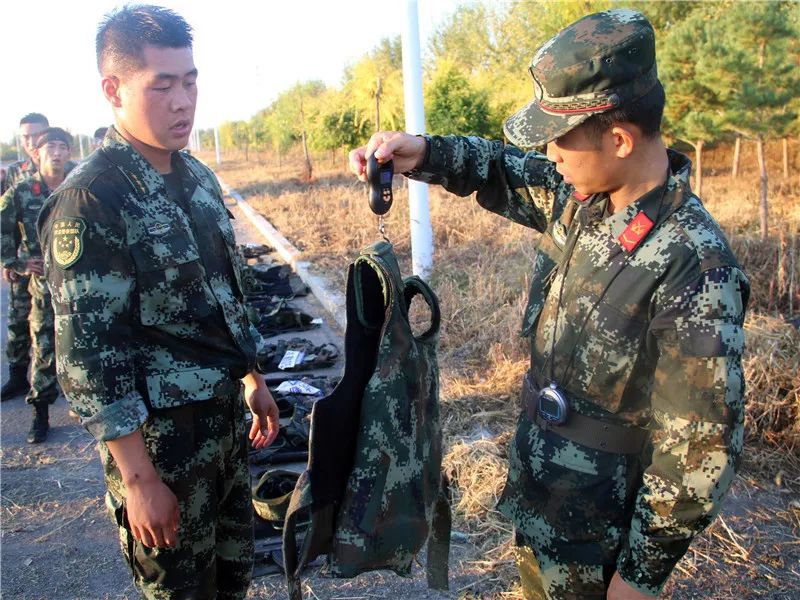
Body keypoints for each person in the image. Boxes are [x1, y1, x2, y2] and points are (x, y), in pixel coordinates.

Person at [349, 9, 749, 600]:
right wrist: (423, 153)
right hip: (544, 497)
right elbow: (500, 168)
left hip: (603, 536)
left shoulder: (693, 262)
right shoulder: (583, 196)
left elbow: (698, 448)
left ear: (618, 138)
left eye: (559, 139)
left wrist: (639, 579)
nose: (551, 154)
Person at [37, 5, 279, 598]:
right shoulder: (93, 199)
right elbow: (90, 356)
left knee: (233, 583)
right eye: (162, 85)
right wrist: (138, 478)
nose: (183, 101)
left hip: (224, 428)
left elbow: (224, 290)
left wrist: (252, 376)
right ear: (113, 90)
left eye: (190, 80)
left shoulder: (196, 177)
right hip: (162, 447)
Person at [0, 128, 72, 442]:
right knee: (44, 345)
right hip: (43, 284)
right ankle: (40, 412)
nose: (56, 152)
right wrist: (14, 262)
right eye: (50, 147)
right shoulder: (21, 191)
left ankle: (87, 407)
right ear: (36, 154)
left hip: (78, 282)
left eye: (62, 147)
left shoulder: (82, 185)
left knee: (84, 346)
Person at [0, 113, 49, 401]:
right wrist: (11, 262)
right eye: (25, 137)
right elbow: (7, 219)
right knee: (18, 322)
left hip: (53, 264)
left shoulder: (66, 169)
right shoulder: (15, 173)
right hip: (25, 262)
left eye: (36, 135)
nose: (31, 142)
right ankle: (17, 377)